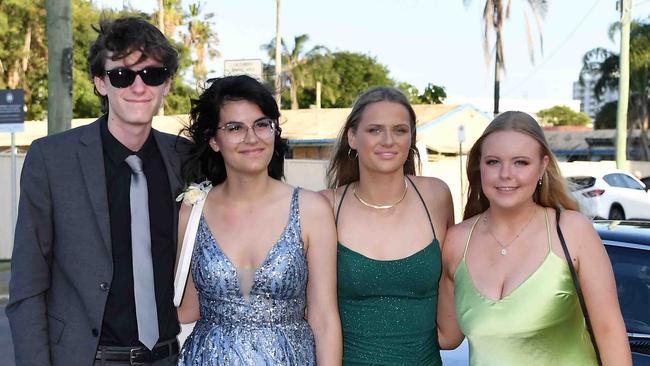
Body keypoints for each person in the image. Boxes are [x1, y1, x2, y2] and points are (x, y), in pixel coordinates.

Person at [6, 16, 187, 365]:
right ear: (100, 83)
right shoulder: (51, 159)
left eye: (152, 74)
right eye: (122, 75)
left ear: (166, 84)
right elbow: (27, 286)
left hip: (170, 357)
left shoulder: (184, 158)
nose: (138, 87)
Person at [437, 111, 632, 365]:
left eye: (521, 162)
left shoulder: (572, 231)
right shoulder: (456, 242)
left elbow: (609, 331)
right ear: (479, 166)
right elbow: (447, 337)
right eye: (493, 162)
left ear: (542, 166)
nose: (506, 174)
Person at [175, 75, 342, 365]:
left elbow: (324, 318)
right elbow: (188, 308)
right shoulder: (193, 210)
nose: (251, 138)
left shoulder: (311, 209)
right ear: (213, 140)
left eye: (261, 124)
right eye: (234, 127)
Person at [321, 86, 454, 365]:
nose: (388, 140)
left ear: (411, 138)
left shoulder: (436, 197)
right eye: (375, 130)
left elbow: (451, 294)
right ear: (352, 138)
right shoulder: (325, 207)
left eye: (400, 130)